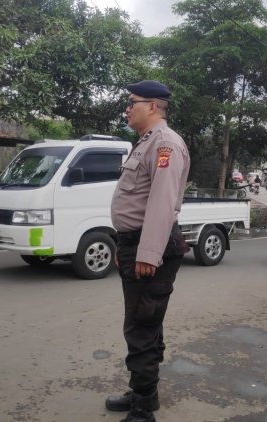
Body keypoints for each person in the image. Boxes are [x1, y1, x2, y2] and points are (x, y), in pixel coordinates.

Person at [107, 80, 190, 422]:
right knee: (145, 323)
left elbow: (161, 203)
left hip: (149, 247)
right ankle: (144, 392)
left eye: (131, 102)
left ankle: (143, 408)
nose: (127, 108)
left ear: (152, 106)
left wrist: (146, 254)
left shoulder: (165, 143)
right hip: (135, 243)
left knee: (141, 326)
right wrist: (124, 246)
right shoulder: (146, 142)